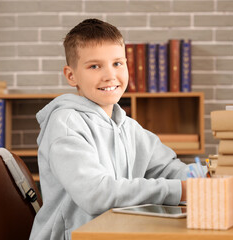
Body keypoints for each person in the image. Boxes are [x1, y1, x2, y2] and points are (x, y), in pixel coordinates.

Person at [30, 18, 190, 240]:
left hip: (114, 233)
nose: (110, 75)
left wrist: (198, 178)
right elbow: (96, 194)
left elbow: (168, 167)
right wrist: (179, 190)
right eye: (95, 66)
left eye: (117, 63)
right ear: (71, 75)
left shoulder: (128, 127)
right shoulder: (65, 125)